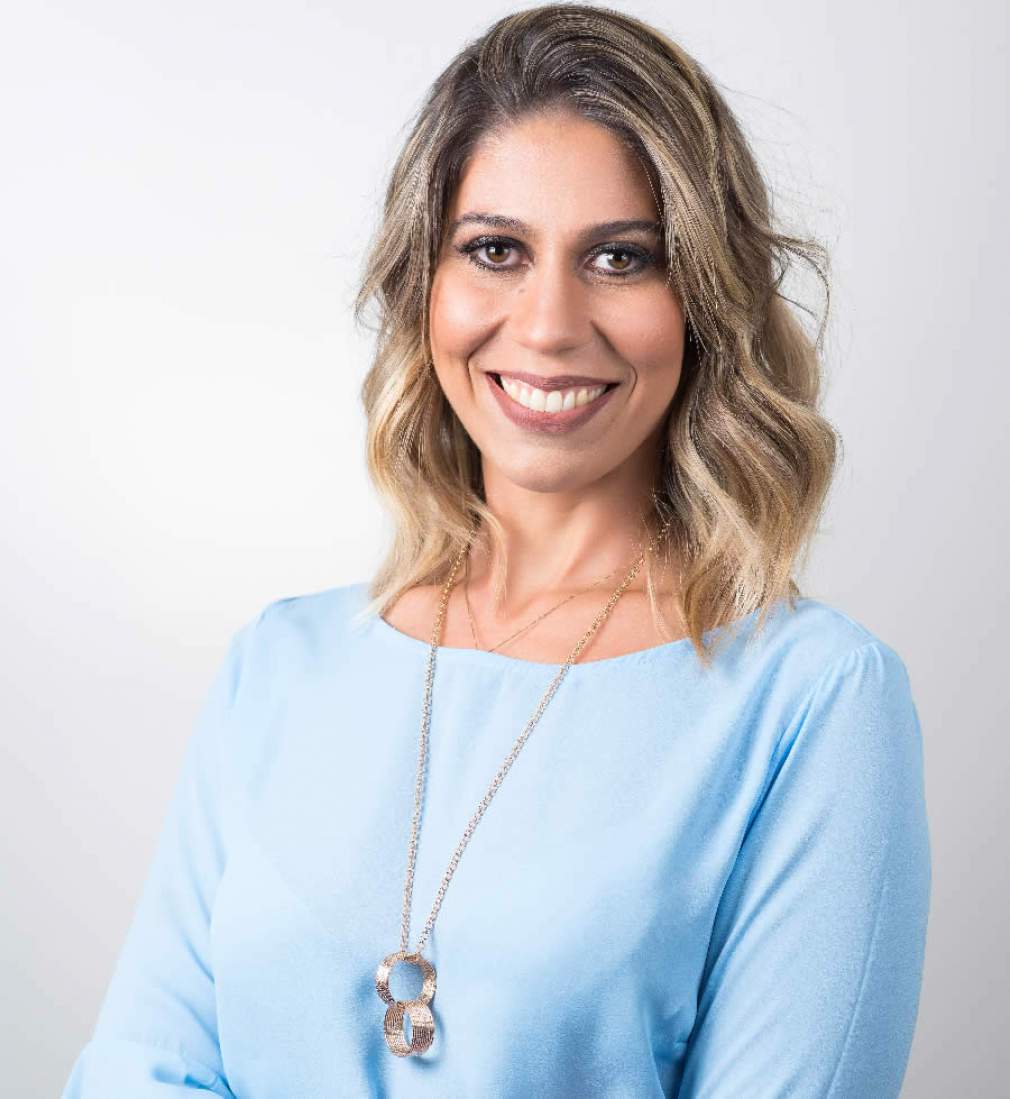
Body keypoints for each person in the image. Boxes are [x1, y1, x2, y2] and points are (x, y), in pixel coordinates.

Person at [61, 5, 931, 1096]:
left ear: (704, 302)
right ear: (424, 283)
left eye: (620, 257)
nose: (549, 322)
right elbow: (139, 1070)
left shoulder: (813, 701)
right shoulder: (278, 666)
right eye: (494, 250)